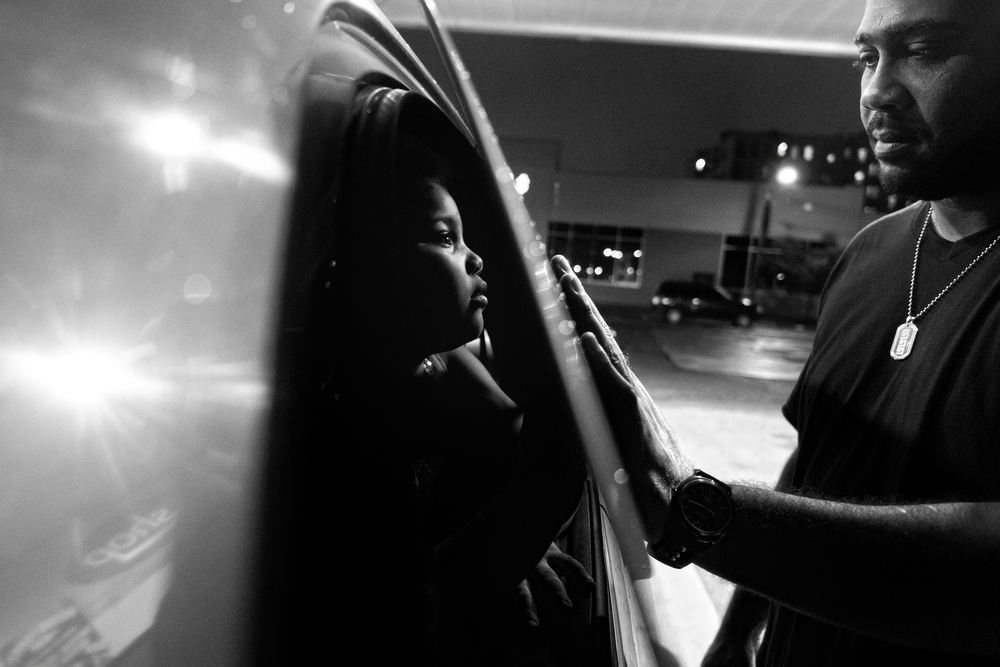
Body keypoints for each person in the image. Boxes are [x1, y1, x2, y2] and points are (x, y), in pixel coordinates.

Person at [553, 0, 1000, 664]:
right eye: (866, 58)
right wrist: (737, 633)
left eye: (925, 51)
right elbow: (813, 464)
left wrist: (696, 506)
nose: (877, 90)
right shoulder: (869, 254)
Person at [324, 144, 594, 664]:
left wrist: (519, 547)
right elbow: (395, 606)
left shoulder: (439, 361)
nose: (475, 257)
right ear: (367, 260)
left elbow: (506, 435)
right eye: (446, 238)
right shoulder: (328, 414)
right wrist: (543, 491)